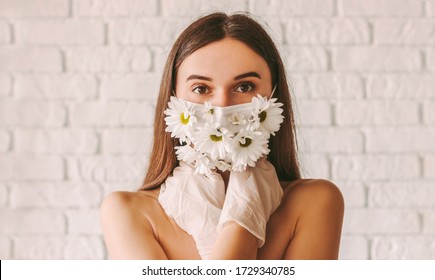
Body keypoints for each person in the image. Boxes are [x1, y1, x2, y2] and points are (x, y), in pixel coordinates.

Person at [100, 12, 344, 260]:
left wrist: (245, 211)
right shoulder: (129, 212)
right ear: (173, 99)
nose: (222, 106)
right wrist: (243, 220)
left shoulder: (314, 202)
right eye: (201, 89)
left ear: (273, 95)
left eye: (244, 87)